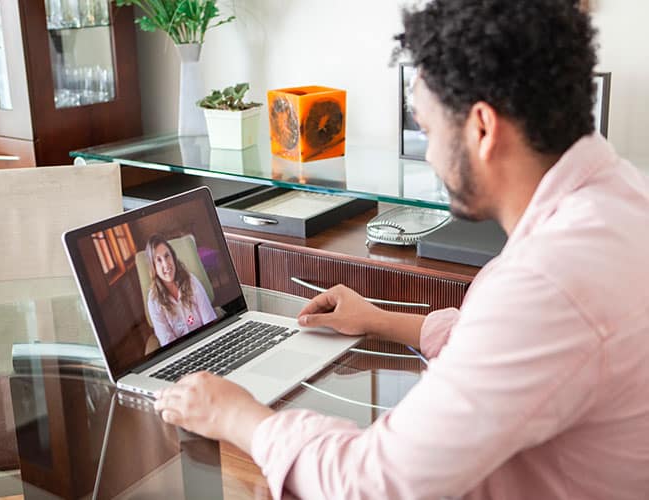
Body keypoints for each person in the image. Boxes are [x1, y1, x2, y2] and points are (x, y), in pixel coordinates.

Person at [154, 1, 649, 498]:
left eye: (429, 130)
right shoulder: (620, 197)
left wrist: (237, 416)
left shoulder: (548, 281)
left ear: (482, 128)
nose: (430, 155)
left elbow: (377, 482)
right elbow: (519, 347)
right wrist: (384, 321)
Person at [146, 234, 216, 347]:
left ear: (173, 257)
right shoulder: (153, 300)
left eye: (167, 256)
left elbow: (209, 320)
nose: (165, 264)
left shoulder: (191, 280)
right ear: (154, 267)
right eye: (159, 260)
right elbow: (168, 342)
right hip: (181, 352)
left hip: (206, 341)